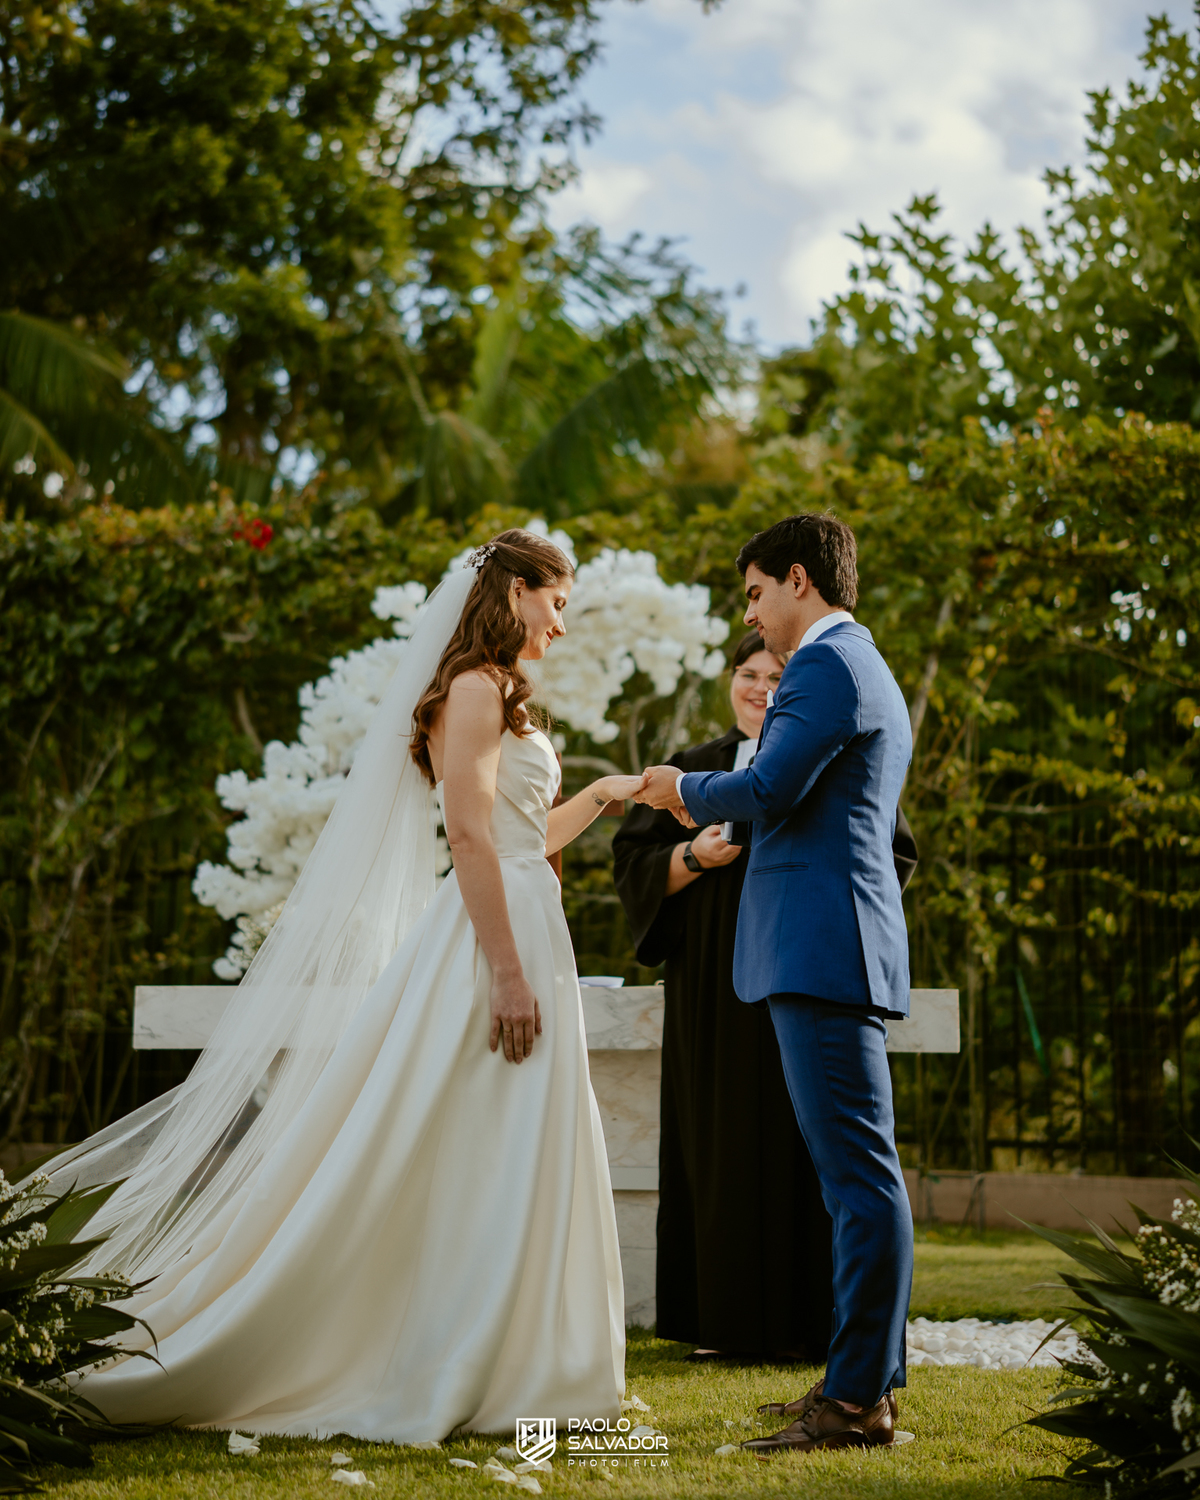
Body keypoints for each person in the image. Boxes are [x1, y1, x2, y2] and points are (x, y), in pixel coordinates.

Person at [45, 530, 646, 1442]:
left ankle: (523, 1354)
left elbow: (523, 835)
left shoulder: (497, 693)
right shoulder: (477, 690)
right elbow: (474, 840)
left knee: (514, 1134)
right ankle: (470, 1353)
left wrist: (605, 794)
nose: (561, 624)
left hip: (524, 919)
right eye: (556, 602)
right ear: (517, 591)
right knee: (485, 1132)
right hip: (498, 939)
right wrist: (510, 975)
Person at [635, 512, 915, 1455]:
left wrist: (679, 788)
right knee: (854, 1180)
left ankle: (855, 1404)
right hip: (825, 945)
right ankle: (856, 1387)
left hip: (822, 947)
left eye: (756, 594)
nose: (753, 618)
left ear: (799, 579)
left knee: (860, 1183)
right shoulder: (852, 662)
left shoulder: (829, 665)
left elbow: (767, 789)